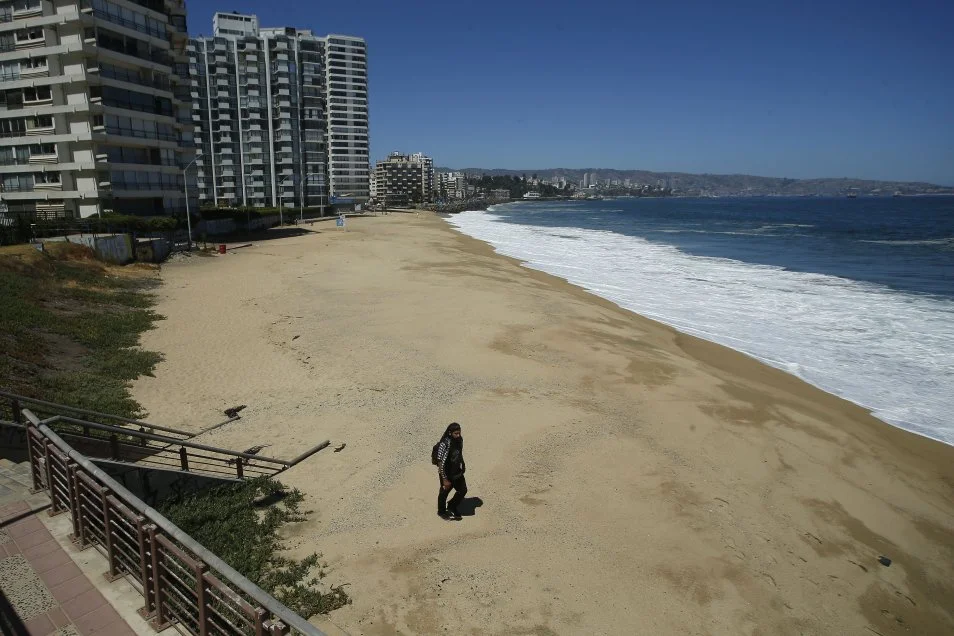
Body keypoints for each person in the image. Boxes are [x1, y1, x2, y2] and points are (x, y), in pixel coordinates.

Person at [436, 422, 467, 521]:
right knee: (444, 492)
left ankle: (452, 506)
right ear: (450, 433)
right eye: (456, 433)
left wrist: (462, 465)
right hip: (446, 473)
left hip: (457, 471)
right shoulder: (444, 444)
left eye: (459, 433)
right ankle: (441, 511)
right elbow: (440, 461)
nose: (458, 435)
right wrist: (444, 478)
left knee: (463, 490)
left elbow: (459, 453)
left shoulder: (459, 440)